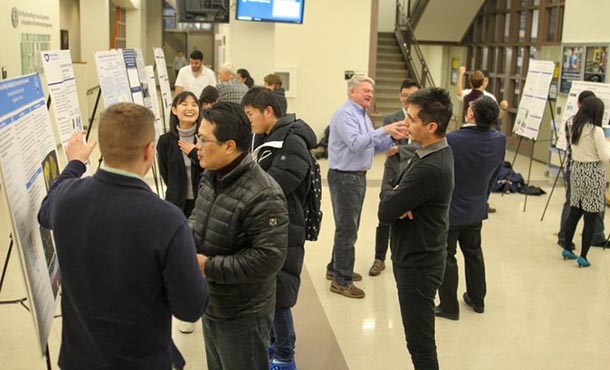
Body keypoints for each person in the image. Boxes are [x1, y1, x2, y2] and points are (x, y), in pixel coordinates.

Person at [38, 103, 209, 370]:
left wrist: (74, 163)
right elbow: (190, 308)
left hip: (78, 360)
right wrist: (197, 269)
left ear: (103, 148)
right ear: (149, 150)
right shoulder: (167, 219)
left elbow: (44, 211)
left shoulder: (67, 198)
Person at [188, 102, 289, 370]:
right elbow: (199, 219)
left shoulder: (263, 193)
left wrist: (207, 266)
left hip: (244, 314)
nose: (197, 146)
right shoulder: (211, 176)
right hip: (212, 302)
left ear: (229, 146)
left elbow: (269, 258)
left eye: (203, 139)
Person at [378, 87, 454, 370]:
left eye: (411, 119)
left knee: (420, 345)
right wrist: (397, 196)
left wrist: (392, 193)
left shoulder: (431, 166)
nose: (405, 123)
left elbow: (385, 211)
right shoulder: (427, 153)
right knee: (418, 341)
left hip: (419, 265)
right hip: (415, 257)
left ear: (431, 126)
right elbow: (394, 203)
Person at [242, 87, 317, 370]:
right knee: (270, 290)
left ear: (268, 112)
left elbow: (275, 186)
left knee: (280, 295)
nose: (248, 120)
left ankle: (285, 356)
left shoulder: (292, 142)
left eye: (250, 114)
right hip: (270, 225)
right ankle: (274, 346)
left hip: (286, 226)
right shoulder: (265, 137)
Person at [326, 75, 408, 299]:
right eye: (365, 91)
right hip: (345, 178)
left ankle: (335, 267)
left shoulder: (363, 116)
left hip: (356, 177)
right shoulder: (345, 115)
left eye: (371, 91)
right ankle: (341, 281)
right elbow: (355, 143)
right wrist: (384, 129)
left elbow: (371, 143)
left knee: (347, 226)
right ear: (352, 92)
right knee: (347, 229)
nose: (370, 95)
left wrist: (391, 140)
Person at [435, 96, 506, 321]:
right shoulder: (499, 140)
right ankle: (478, 299)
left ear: (471, 114)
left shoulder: (452, 139)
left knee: (447, 255)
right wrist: (483, 198)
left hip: (450, 207)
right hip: (476, 206)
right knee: (474, 252)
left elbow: (441, 173)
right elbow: (495, 175)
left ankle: (448, 306)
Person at [157, 91, 205, 334]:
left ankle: (199, 304)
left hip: (203, 202)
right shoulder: (165, 141)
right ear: (174, 110)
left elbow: (212, 169)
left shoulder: (206, 137)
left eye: (194, 104)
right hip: (176, 204)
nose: (189, 108)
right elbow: (166, 174)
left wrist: (196, 153)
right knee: (179, 256)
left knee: (200, 252)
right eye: (183, 104)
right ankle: (184, 310)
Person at [369, 78, 420, 277]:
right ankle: (379, 258)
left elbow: (421, 146)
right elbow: (385, 145)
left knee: (412, 217)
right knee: (385, 214)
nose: (408, 100)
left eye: (413, 96)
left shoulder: (423, 119)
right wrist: (394, 148)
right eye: (405, 96)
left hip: (414, 171)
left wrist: (400, 149)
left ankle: (405, 258)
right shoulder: (391, 118)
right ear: (400, 97)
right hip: (392, 171)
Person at [561, 96, 610, 268]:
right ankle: (583, 256)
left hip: (577, 170)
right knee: (591, 216)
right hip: (592, 173)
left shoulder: (576, 126)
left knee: (575, 211)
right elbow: (604, 157)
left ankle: (567, 247)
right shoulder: (596, 131)